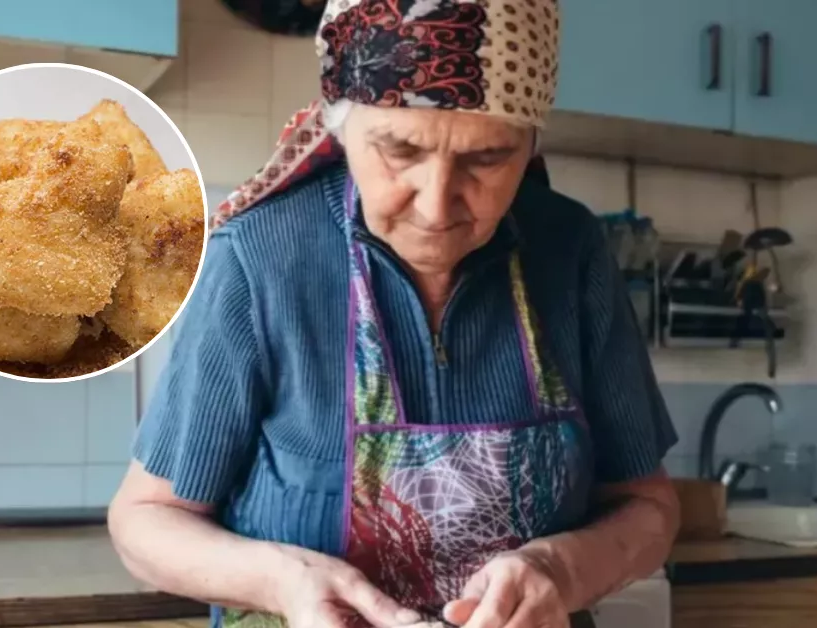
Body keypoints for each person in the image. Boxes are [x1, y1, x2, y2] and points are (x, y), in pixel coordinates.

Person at [109, 1, 679, 627]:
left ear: (531, 141)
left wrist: (561, 571)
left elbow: (647, 505)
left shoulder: (570, 252)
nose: (436, 207)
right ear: (340, 127)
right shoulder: (260, 258)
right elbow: (146, 521)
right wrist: (286, 582)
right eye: (400, 151)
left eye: (486, 158)